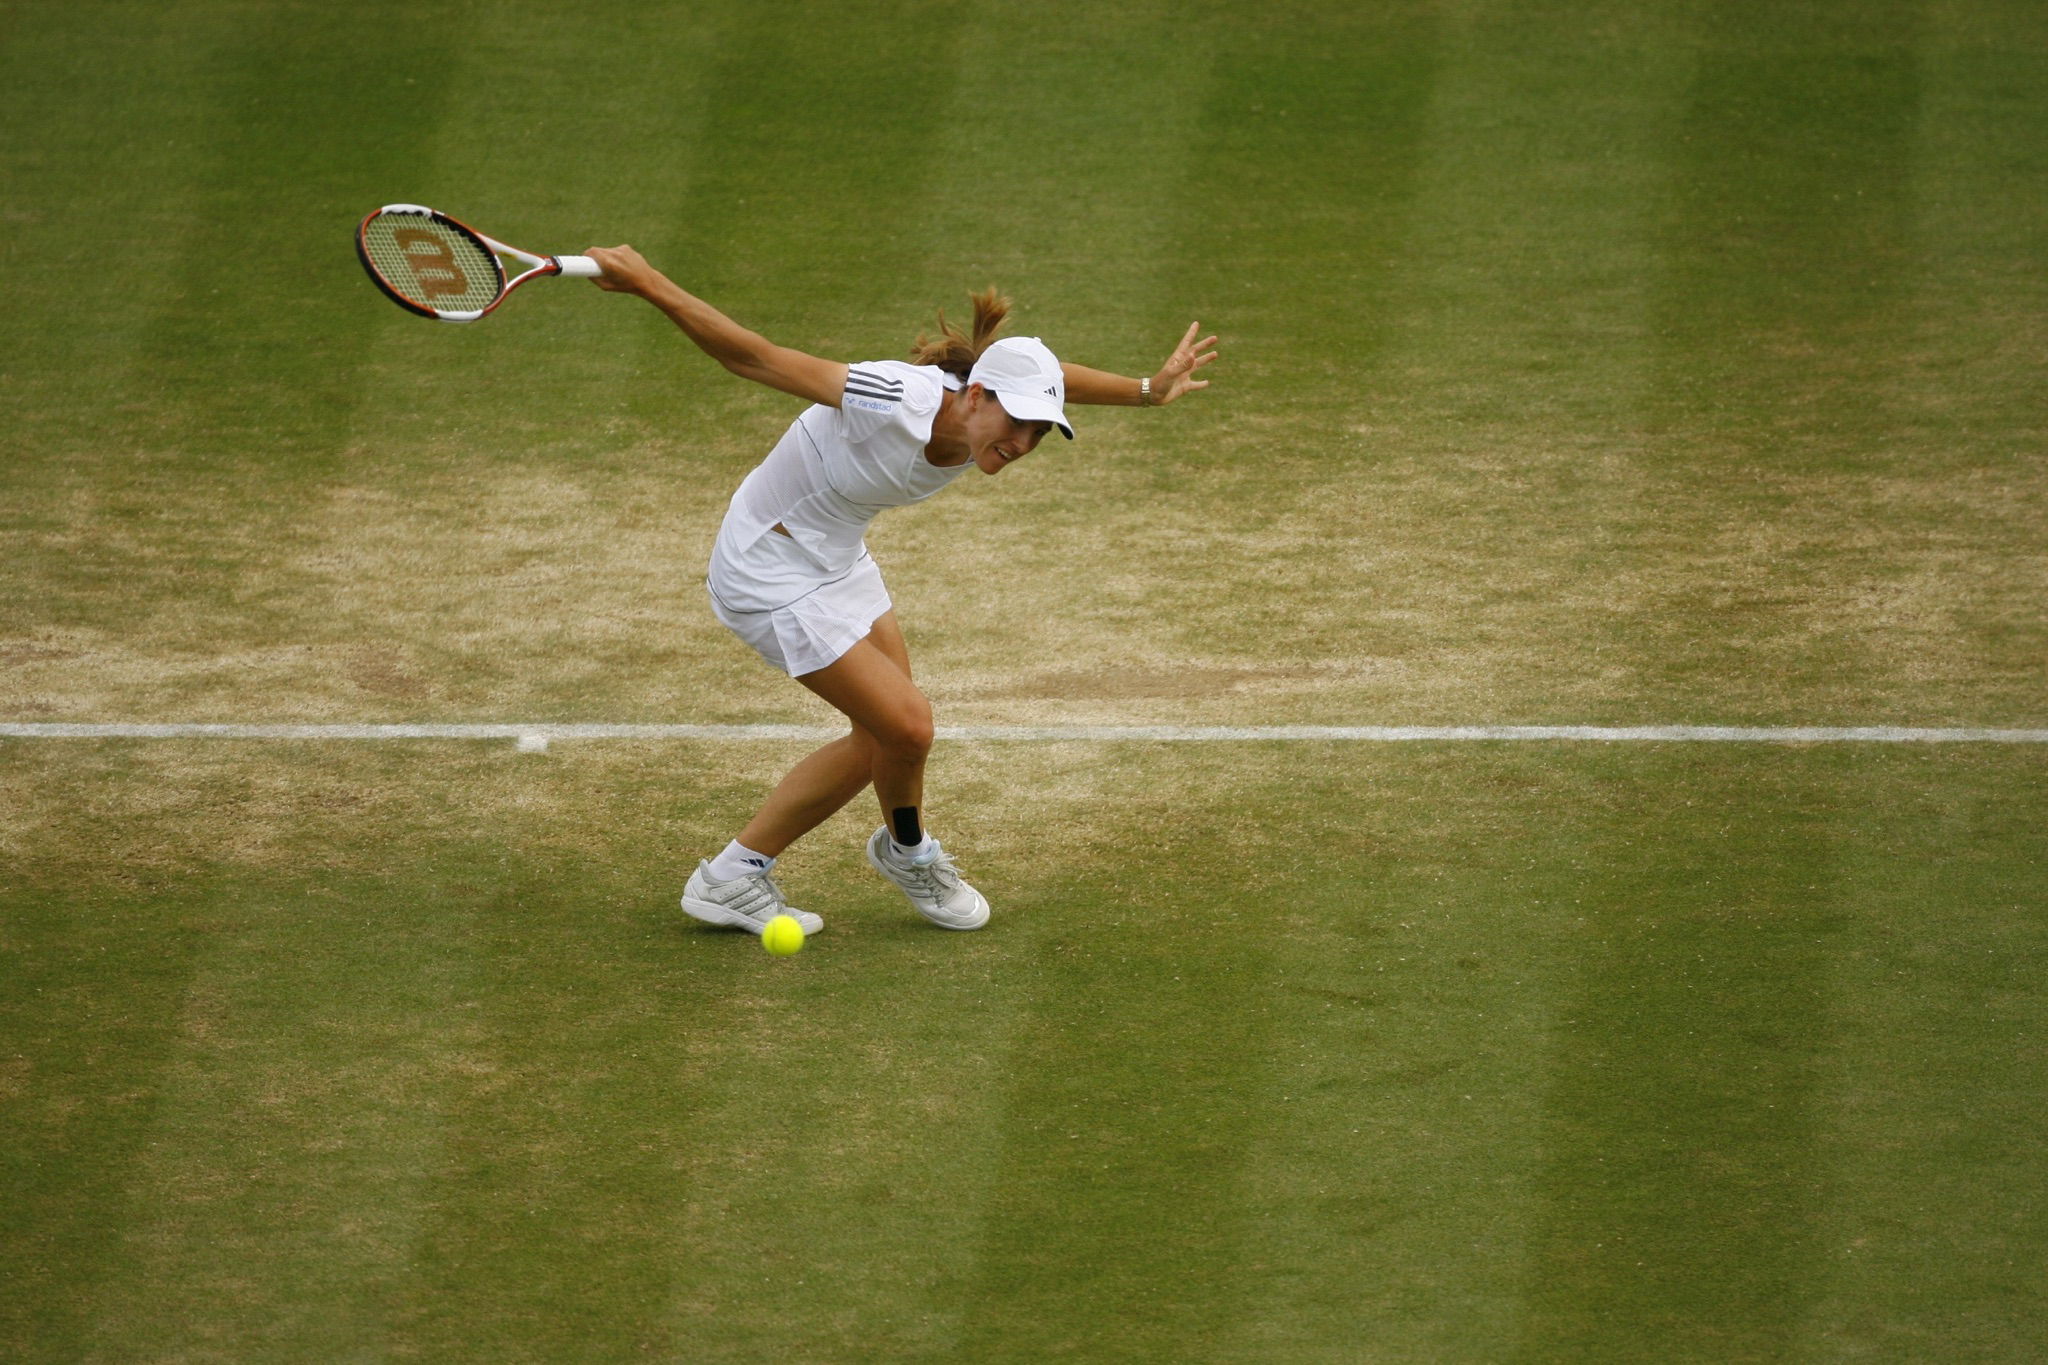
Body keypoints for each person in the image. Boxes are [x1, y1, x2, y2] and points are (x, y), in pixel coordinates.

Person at [585, 245, 1217, 938]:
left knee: (895, 738)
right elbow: (754, 358)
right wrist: (649, 285)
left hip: (834, 551)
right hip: (767, 565)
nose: (1024, 443)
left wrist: (1150, 390)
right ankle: (734, 875)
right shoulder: (896, 397)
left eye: (1040, 431)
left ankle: (903, 851)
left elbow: (1051, 376)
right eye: (1017, 424)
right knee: (905, 724)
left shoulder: (988, 402)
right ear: (976, 396)